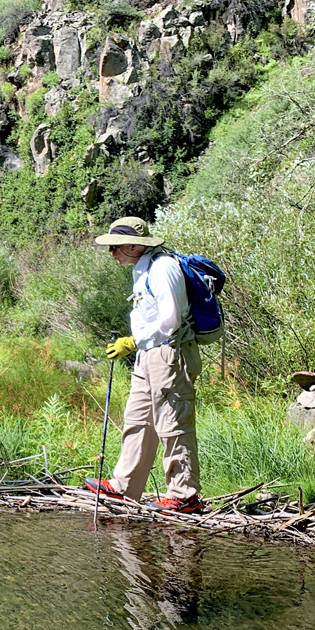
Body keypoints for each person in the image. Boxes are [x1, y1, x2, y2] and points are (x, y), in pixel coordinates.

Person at [84, 217, 202, 514]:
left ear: (136, 245)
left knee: (173, 424)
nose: (112, 253)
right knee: (138, 420)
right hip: (148, 355)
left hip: (169, 354)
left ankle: (184, 495)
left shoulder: (163, 268)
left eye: (116, 247)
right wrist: (138, 346)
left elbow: (170, 320)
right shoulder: (142, 268)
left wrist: (134, 341)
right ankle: (125, 487)